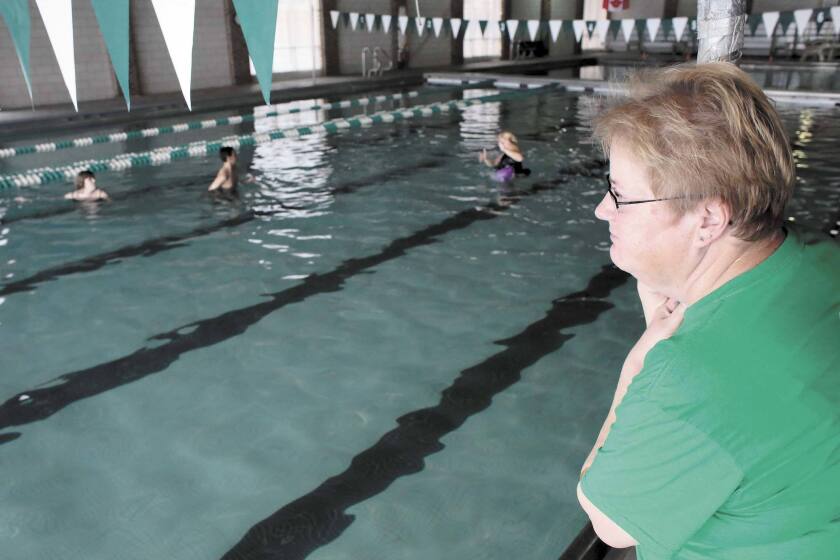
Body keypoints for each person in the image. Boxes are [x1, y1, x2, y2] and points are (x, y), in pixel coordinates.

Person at [576, 62, 839, 559]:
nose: (602, 209)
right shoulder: (819, 260)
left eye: (620, 194)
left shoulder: (690, 377)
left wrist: (640, 361)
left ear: (709, 219)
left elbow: (607, 522)